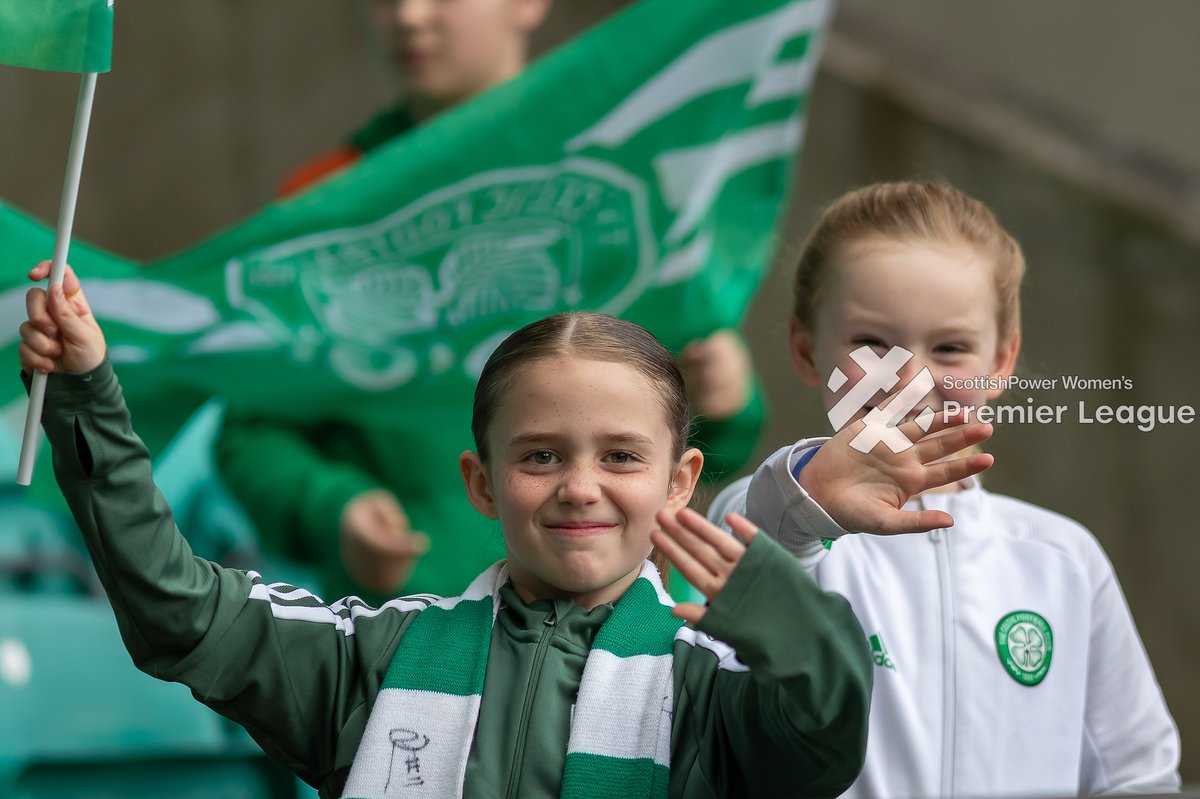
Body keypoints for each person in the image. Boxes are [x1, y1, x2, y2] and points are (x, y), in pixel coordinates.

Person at [19, 260, 997, 798]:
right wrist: (87, 394)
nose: (580, 486)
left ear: (681, 478)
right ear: (481, 483)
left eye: (620, 455)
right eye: (541, 456)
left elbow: (825, 730)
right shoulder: (375, 653)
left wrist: (778, 607)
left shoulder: (703, 694)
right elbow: (177, 612)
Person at [215, 0, 765, 602]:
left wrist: (727, 395)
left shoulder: (631, 163)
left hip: (622, 635)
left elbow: (697, 437)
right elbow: (252, 426)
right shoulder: (323, 203)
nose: (409, 17)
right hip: (412, 636)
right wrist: (331, 507)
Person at [708, 181, 1183, 797]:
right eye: (873, 343)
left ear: (1002, 362)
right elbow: (771, 527)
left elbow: (1138, 775)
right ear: (806, 349)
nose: (909, 379)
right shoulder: (769, 513)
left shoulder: (1064, 559)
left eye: (951, 348)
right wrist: (808, 496)